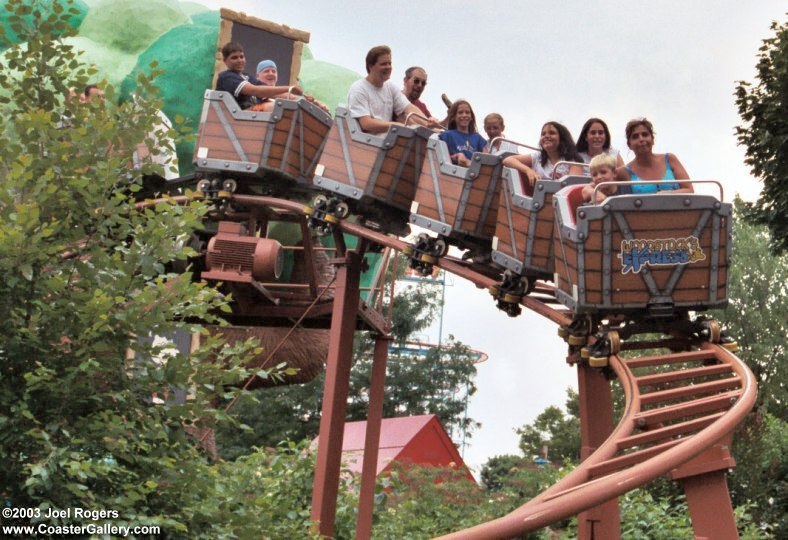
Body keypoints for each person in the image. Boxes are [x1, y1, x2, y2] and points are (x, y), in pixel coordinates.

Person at [347, 45, 441, 134]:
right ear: (371, 66)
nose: (388, 67)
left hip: (387, 141)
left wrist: (428, 123)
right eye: (383, 64)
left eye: (390, 63)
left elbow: (409, 108)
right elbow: (366, 123)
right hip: (367, 143)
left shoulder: (390, 87)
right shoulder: (359, 89)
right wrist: (397, 126)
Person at [215, 42, 303, 110]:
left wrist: (301, 98)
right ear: (225, 60)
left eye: (241, 57)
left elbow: (271, 93)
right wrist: (289, 88)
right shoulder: (227, 77)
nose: (239, 60)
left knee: (287, 107)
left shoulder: (246, 77)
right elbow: (255, 90)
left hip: (250, 116)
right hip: (237, 118)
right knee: (275, 107)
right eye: (234, 58)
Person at [503, 121, 585, 194]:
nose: (546, 136)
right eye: (543, 134)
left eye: (552, 133)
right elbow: (508, 160)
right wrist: (528, 170)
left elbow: (572, 189)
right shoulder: (537, 157)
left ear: (562, 138)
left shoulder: (572, 161)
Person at [616, 118, 693, 193]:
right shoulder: (623, 172)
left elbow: (689, 190)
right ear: (629, 145)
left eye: (645, 135)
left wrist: (668, 194)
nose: (641, 139)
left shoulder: (670, 159)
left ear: (652, 140)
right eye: (635, 137)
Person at [252, 59, 328, 112]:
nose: (271, 73)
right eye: (266, 71)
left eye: (274, 71)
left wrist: (315, 103)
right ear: (257, 76)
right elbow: (272, 93)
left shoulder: (285, 96)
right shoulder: (254, 89)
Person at [438, 100, 487, 167]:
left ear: (471, 117)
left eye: (467, 112)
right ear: (453, 117)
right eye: (460, 112)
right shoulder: (447, 135)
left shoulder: (478, 138)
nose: (464, 115)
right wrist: (456, 156)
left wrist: (468, 163)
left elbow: (487, 161)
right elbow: (439, 157)